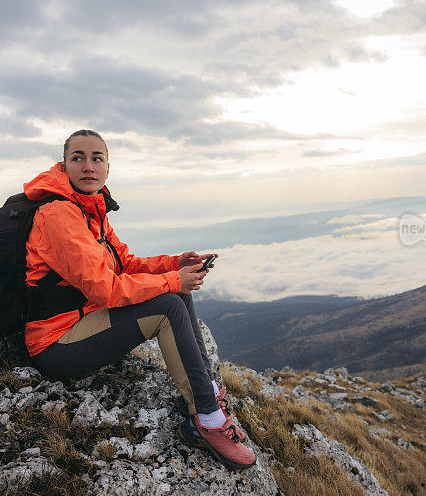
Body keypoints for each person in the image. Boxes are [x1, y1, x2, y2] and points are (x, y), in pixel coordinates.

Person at [22, 129, 256, 470]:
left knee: (174, 291)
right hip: (56, 343)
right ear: (65, 164)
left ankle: (208, 393)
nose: (88, 166)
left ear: (107, 168)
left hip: (82, 321)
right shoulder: (59, 215)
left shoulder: (88, 208)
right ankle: (207, 421)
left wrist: (174, 265)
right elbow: (105, 289)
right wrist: (173, 280)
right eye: (78, 158)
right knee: (168, 305)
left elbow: (125, 265)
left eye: (96, 158)